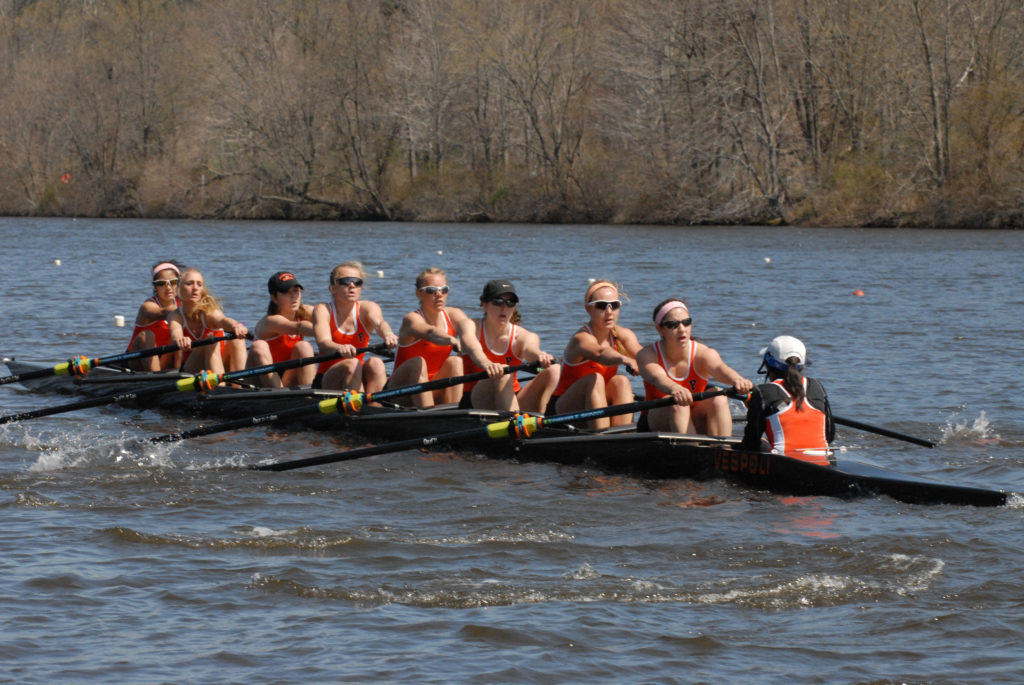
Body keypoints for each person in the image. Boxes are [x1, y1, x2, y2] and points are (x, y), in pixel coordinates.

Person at [637, 298, 753, 436]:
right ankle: (692, 451)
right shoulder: (647, 355)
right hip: (656, 421)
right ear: (660, 329)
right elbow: (658, 378)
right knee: (678, 403)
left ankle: (722, 450)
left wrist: (737, 380)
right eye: (673, 325)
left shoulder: (704, 353)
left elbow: (720, 369)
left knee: (719, 396)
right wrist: (675, 388)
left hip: (693, 418)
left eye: (686, 323)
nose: (681, 329)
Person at [546, 280, 642, 429]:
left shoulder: (623, 335)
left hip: (594, 406)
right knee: (595, 378)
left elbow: (644, 356)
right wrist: (626, 360)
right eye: (602, 305)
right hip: (562, 411)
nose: (609, 311)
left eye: (614, 305)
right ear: (588, 309)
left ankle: (622, 435)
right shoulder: (581, 339)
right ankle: (602, 435)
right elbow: (601, 353)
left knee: (621, 381)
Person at [458, 279, 559, 412]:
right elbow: (473, 350)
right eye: (498, 301)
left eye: (510, 303)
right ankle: (515, 422)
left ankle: (544, 422)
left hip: (513, 397)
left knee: (554, 369)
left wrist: (541, 356)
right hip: (475, 400)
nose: (504, 308)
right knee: (504, 371)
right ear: (485, 305)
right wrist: (488, 365)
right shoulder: (470, 325)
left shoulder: (524, 336)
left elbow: (530, 351)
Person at [386, 267, 475, 407]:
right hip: (401, 390)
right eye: (432, 290)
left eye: (443, 290)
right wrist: (451, 340)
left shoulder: (454, 315)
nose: (439, 294)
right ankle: (428, 415)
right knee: (418, 362)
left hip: (434, 386)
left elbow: (472, 334)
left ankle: (455, 411)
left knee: (456, 361)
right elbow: (429, 333)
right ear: (419, 294)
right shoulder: (412, 319)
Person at [741, 336, 834, 464]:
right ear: (802, 366)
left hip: (781, 465)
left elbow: (750, 443)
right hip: (823, 461)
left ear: (767, 365)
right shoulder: (817, 386)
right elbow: (829, 435)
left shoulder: (762, 391)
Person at [312, 261, 398, 392]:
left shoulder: (368, 307)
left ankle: (375, 407)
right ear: (332, 288)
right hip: (327, 378)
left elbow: (380, 323)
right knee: (352, 363)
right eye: (345, 281)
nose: (352, 285)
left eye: (357, 282)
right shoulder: (323, 309)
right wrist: (340, 347)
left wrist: (388, 333)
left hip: (357, 373)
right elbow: (323, 343)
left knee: (376, 363)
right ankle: (361, 406)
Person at [168, 267, 249, 374]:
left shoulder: (209, 312)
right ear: (179, 289)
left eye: (199, 284)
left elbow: (223, 320)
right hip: (192, 368)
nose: (195, 288)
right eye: (189, 284)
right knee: (210, 340)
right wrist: (180, 339)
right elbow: (175, 333)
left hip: (220, 364)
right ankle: (221, 387)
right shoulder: (175, 315)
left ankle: (241, 383)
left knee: (237, 339)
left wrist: (237, 325)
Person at [245, 271, 315, 388]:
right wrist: (324, 331)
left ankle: (310, 397)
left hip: (286, 379)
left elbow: (330, 314)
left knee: (304, 347)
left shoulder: (304, 311)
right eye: (286, 292)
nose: (293, 296)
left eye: (296, 291)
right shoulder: (271, 321)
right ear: (274, 298)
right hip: (259, 382)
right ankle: (280, 396)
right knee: (259, 346)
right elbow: (299, 328)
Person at [125, 260, 187, 371]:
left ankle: (179, 373)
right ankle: (157, 377)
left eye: (172, 282)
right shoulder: (147, 307)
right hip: (137, 360)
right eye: (161, 283)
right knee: (147, 335)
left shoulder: (181, 303)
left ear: (178, 284)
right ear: (155, 287)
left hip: (164, 359)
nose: (168, 287)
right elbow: (164, 312)